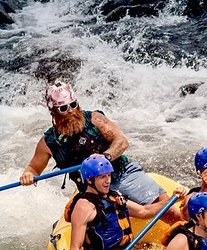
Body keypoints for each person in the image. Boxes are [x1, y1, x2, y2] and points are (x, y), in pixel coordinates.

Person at [20, 81, 180, 219]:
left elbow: (122, 142)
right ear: (53, 111)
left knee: (169, 210)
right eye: (63, 108)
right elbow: (34, 168)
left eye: (73, 105)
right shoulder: (48, 142)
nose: (70, 111)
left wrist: (105, 157)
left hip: (122, 174)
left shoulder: (95, 119)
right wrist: (28, 175)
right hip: (91, 191)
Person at [65, 156, 184, 250]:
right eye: (102, 177)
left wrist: (172, 199)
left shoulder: (114, 197)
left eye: (109, 175)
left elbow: (143, 211)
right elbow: (74, 249)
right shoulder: (84, 206)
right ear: (90, 180)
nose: (108, 180)